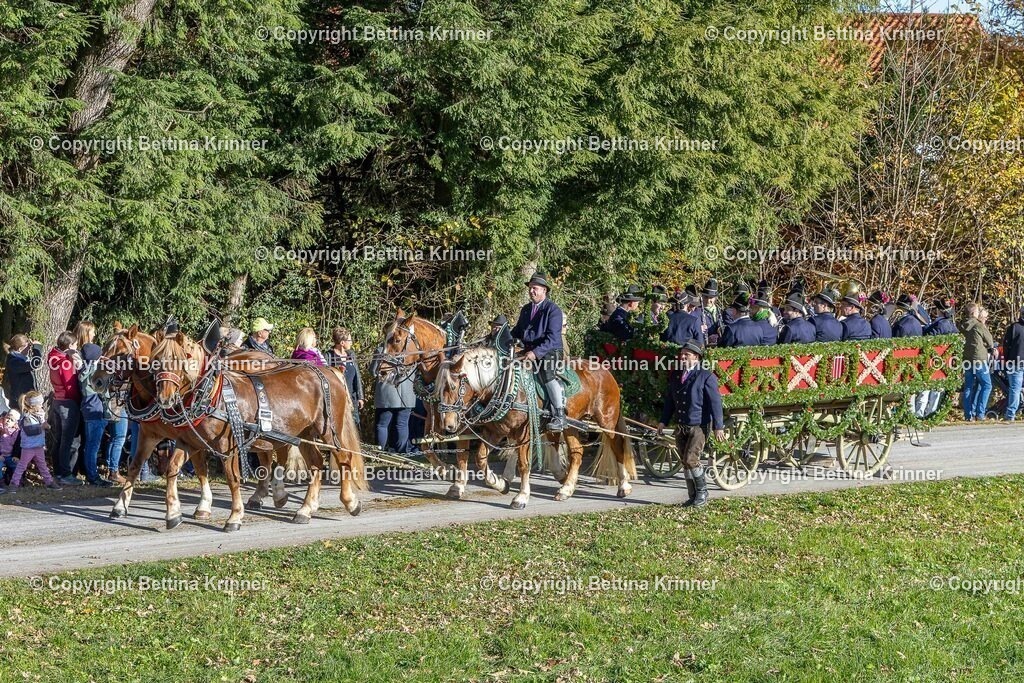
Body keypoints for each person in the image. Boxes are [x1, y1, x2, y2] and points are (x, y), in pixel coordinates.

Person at [656, 340, 725, 508]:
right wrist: (663, 421)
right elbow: (670, 401)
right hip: (681, 424)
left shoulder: (706, 376)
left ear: (696, 357)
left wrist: (718, 427)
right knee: (684, 461)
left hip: (698, 426)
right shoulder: (676, 375)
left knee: (691, 459)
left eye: (687, 354)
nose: (683, 356)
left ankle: (702, 492)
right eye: (682, 354)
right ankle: (692, 495)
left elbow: (715, 403)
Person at [511, 269, 567, 432]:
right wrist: (499, 335)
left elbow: (552, 338)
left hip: (550, 351)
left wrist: (535, 353)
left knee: (547, 374)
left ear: (544, 290)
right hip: (530, 350)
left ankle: (559, 415)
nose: (531, 290)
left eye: (535, 287)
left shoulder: (553, 310)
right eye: (530, 287)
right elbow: (517, 331)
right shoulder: (526, 309)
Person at [47, 331, 84, 486]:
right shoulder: (65, 361)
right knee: (68, 440)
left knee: (59, 439)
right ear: (70, 346)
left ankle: (58, 472)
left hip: (57, 400)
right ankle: (65, 473)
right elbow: (70, 385)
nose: (76, 347)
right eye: (75, 345)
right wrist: (78, 399)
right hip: (68, 402)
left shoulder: (53, 357)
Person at [77, 335, 113, 487]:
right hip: (97, 410)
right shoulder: (96, 372)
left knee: (90, 445)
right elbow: (103, 392)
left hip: (87, 408)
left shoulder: (84, 370)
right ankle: (93, 476)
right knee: (93, 446)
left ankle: (90, 473)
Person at [6, 392, 61, 491]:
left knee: (42, 465)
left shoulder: (40, 415)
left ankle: (49, 482)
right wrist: (42, 427)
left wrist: (45, 425)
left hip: (38, 445)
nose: (41, 405)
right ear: (32, 405)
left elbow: (40, 426)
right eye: (39, 404)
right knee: (22, 465)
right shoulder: (27, 417)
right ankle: (13, 484)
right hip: (29, 447)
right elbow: (30, 430)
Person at [369, 342, 417, 452]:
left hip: (386, 393)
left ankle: (380, 453)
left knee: (382, 424)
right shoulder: (412, 350)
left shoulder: (382, 349)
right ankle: (402, 453)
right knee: (402, 424)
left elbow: (373, 371)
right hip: (407, 394)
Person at [962, 303, 996, 422]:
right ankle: (980, 413)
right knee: (987, 385)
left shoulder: (962, 324)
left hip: (966, 359)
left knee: (968, 387)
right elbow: (990, 340)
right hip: (979, 359)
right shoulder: (978, 325)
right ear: (974, 313)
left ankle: (968, 415)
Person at [326, 327, 364, 427]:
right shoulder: (329, 356)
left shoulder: (351, 355)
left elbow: (357, 376)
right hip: (336, 398)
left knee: (354, 425)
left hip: (352, 398)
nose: (351, 342)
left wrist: (360, 396)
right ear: (342, 343)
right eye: (350, 340)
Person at [2, 334, 43, 408]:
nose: (29, 349)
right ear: (20, 348)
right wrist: (37, 348)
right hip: (20, 401)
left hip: (25, 399)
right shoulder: (14, 361)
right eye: (28, 347)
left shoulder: (20, 359)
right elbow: (34, 364)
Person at [1001, 305, 1024, 422]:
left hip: (1015, 362)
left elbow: (1006, 345)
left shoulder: (1014, 327)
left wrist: (1007, 359)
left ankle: (1010, 414)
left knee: (1014, 389)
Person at [0, 409, 20, 487]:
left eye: (11, 420)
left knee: (18, 465)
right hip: (1, 455)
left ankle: (15, 481)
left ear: (15, 423)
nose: (8, 421)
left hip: (10, 455)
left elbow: (17, 445)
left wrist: (16, 455)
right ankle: (1, 482)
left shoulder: (17, 432)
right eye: (7, 418)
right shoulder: (1, 429)